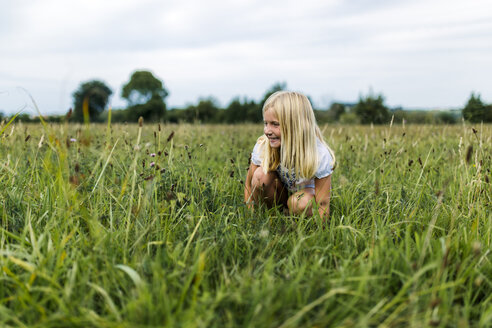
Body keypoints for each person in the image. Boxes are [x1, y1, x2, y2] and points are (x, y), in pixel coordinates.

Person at [244, 91, 336, 218]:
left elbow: (323, 203)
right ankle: (275, 215)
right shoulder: (264, 145)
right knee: (260, 176)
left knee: (298, 203)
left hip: (305, 198)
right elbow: (249, 185)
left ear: (296, 126)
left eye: (275, 124)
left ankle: (300, 221)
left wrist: (322, 233)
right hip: (279, 193)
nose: (267, 131)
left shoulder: (319, 154)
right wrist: (250, 217)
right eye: (266, 123)